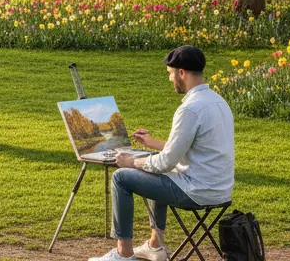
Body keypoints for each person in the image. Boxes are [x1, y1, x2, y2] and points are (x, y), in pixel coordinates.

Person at [89, 45, 235, 261]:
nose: (170, 79)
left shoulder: (190, 109)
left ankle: (124, 254)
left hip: (197, 191)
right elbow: (193, 148)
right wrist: (152, 143)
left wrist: (131, 161)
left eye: (170, 74)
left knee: (121, 178)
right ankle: (155, 246)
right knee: (160, 172)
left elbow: (165, 163)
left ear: (182, 73)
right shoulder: (217, 102)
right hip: (219, 189)